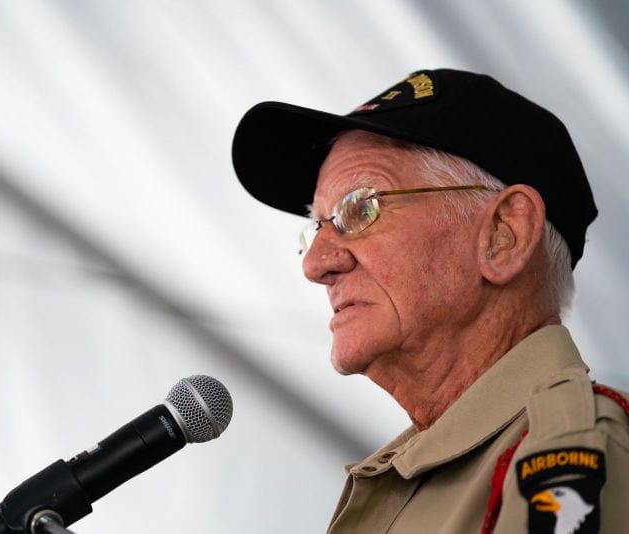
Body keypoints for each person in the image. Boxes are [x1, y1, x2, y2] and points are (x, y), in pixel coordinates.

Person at [231, 69, 629, 533]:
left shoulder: (572, 451)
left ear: (505, 235)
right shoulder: (421, 469)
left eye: (361, 209)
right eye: (316, 226)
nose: (316, 264)